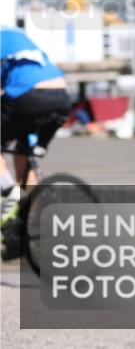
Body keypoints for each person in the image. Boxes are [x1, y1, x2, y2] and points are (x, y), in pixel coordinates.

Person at [0, 26, 71, 249]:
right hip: (62, 98)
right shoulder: (18, 38)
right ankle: (26, 221)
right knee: (24, 150)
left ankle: (8, 190)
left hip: (29, 95)